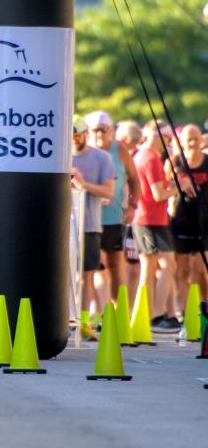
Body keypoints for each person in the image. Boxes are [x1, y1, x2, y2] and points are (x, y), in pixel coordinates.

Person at [85, 111, 140, 303]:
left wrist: (133, 205)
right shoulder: (84, 151)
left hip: (113, 217)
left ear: (111, 131)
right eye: (95, 130)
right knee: (91, 267)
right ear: (88, 132)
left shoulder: (120, 150)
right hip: (88, 218)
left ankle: (118, 311)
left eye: (103, 130)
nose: (99, 135)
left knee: (115, 264)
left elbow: (134, 179)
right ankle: (95, 312)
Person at [70, 114, 117, 340]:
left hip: (89, 224)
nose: (74, 140)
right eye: (70, 136)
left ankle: (84, 321)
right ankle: (66, 318)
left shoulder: (101, 158)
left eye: (77, 135)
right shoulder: (61, 155)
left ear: (85, 134)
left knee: (87, 275)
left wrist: (83, 184)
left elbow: (108, 191)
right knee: (65, 274)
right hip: (65, 223)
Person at [132, 120, 180, 333]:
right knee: (167, 264)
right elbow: (158, 194)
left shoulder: (141, 155)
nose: (168, 143)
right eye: (167, 138)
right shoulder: (150, 158)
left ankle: (146, 314)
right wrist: (179, 187)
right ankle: (157, 314)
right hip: (151, 218)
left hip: (145, 217)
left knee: (149, 267)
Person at [169, 124, 208, 334]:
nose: (192, 143)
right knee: (181, 271)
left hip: (204, 222)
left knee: (201, 270)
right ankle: (182, 313)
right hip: (181, 220)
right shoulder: (175, 161)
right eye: (188, 139)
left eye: (195, 138)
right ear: (181, 141)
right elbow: (166, 186)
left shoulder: (207, 161)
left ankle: (204, 307)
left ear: (201, 140)